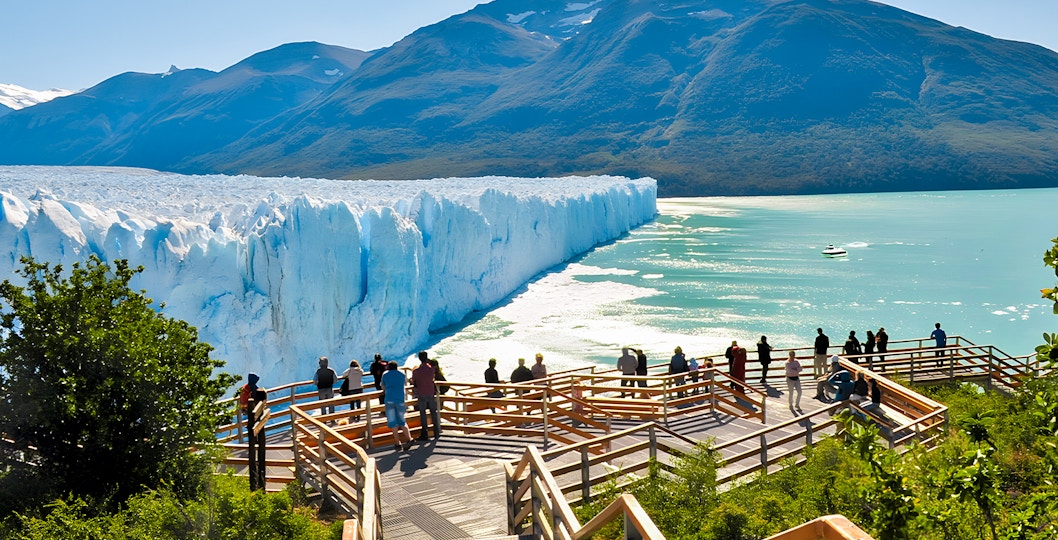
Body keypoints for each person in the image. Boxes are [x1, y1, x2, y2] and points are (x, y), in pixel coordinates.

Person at [381, 361, 412, 452]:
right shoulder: (402, 374)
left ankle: (398, 443)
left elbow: (383, 386)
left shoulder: (385, 374)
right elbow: (405, 384)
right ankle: (409, 438)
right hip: (400, 399)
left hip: (389, 399)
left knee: (393, 422)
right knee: (402, 420)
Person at [412, 351, 441, 440]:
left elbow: (414, 382)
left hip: (421, 393)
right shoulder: (431, 369)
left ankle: (425, 433)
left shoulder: (416, 371)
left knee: (423, 414)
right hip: (431, 393)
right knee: (433, 412)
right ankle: (437, 432)